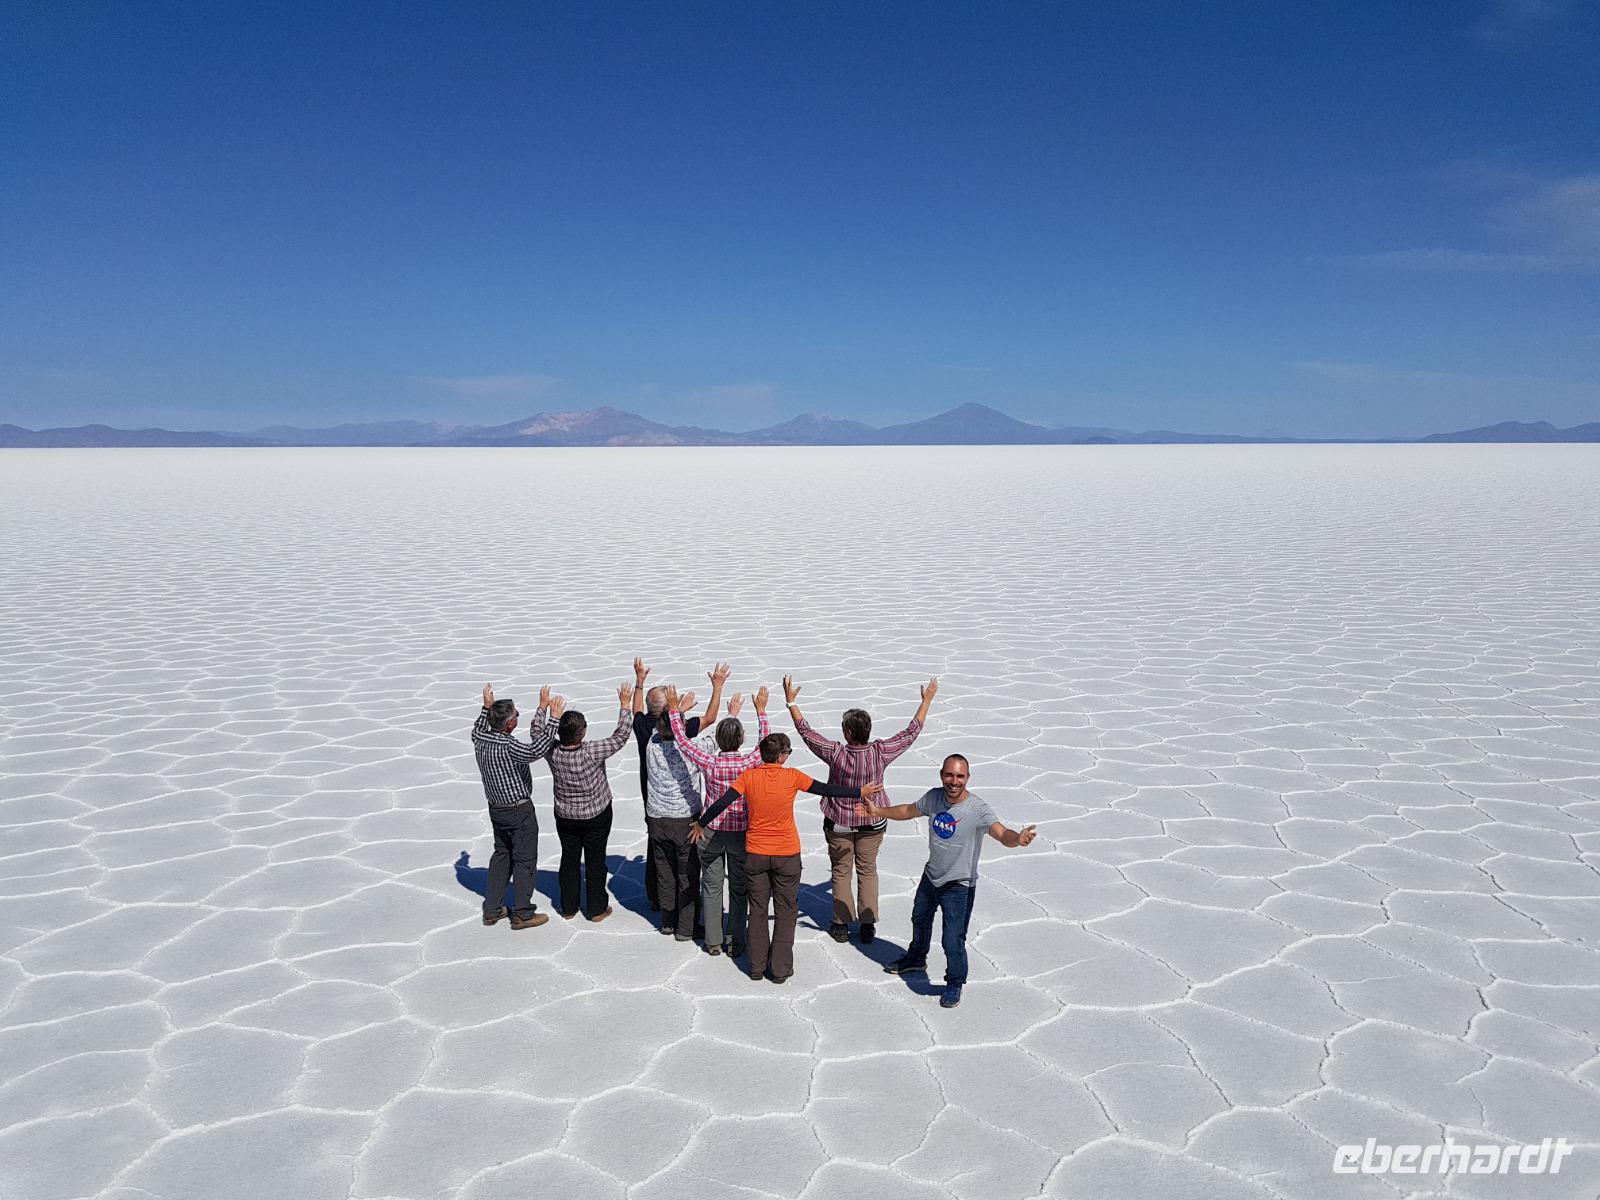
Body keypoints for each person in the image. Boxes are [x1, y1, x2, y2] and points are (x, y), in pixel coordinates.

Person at [690, 734, 881, 984]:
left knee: (757, 910)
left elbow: (722, 802)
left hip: (756, 854)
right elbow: (825, 789)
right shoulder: (792, 776)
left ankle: (756, 967)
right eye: (787, 752)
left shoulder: (748, 777)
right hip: (786, 855)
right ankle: (780, 969)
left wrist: (701, 824)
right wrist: (859, 792)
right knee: (786, 911)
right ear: (781, 757)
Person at [863, 755, 1037, 1008]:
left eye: (959, 776)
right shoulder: (934, 798)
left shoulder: (977, 809)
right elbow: (908, 811)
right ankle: (916, 958)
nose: (954, 781)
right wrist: (877, 811)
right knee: (919, 919)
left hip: (959, 885)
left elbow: (1001, 833)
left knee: (952, 940)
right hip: (931, 876)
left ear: (967, 778)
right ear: (942, 775)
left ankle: (954, 982)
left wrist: (1017, 839)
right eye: (949, 775)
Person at [785, 674, 938, 945]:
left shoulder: (836, 753)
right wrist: (926, 701)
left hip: (839, 823)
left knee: (841, 871)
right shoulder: (880, 752)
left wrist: (791, 703)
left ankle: (841, 925)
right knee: (867, 870)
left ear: (847, 733)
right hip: (873, 822)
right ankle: (867, 925)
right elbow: (910, 733)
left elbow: (807, 734)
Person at [668, 683, 771, 957]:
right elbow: (766, 743)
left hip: (710, 831)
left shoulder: (710, 762)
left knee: (712, 887)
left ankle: (713, 941)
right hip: (740, 832)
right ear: (741, 739)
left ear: (718, 739)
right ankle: (736, 940)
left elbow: (682, 741)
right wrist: (761, 711)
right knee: (739, 888)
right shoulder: (748, 763)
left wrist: (674, 711)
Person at [632, 658, 726, 910]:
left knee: (658, 849)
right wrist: (717, 687)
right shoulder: (682, 732)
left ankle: (657, 899)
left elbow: (636, 711)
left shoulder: (643, 728)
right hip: (683, 807)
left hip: (653, 801)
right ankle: (685, 914)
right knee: (685, 860)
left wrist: (639, 682)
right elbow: (710, 718)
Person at [544, 679, 635, 921]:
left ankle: (568, 907)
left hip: (565, 816)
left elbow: (537, 735)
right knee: (595, 861)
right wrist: (625, 705)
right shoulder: (591, 751)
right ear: (582, 732)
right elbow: (621, 737)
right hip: (596, 815)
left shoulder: (551, 751)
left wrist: (545, 710)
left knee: (569, 859)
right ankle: (596, 909)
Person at [471, 682, 559, 930]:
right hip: (518, 811)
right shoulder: (509, 746)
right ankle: (522, 913)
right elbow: (536, 750)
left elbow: (479, 725)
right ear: (510, 724)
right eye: (517, 715)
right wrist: (553, 719)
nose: (518, 717)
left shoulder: (479, 737)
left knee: (502, 855)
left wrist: (486, 707)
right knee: (524, 860)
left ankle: (492, 909)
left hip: (496, 809)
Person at [644, 687, 707, 940]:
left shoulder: (651, 743)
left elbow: (664, 726)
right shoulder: (692, 750)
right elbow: (719, 739)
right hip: (685, 822)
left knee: (666, 874)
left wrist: (676, 709)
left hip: (657, 820)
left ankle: (668, 922)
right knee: (687, 875)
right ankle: (687, 928)